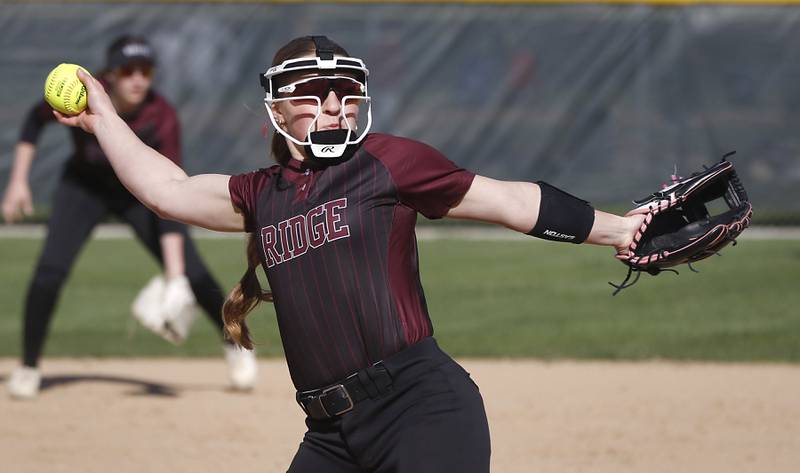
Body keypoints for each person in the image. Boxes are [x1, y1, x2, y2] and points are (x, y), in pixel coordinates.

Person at [54, 35, 645, 472]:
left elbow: (512, 201)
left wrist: (620, 229)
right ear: (277, 110)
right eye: (314, 94)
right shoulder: (260, 194)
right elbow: (169, 192)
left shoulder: (386, 162)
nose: (335, 104)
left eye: (347, 94)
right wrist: (103, 118)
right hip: (329, 435)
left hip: (420, 412)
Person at [2, 35, 257, 399]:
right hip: (84, 188)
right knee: (48, 273)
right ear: (110, 74)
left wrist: (174, 275)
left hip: (139, 194)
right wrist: (17, 182)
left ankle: (235, 347)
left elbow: (174, 196)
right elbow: (33, 119)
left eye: (146, 70)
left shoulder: (161, 115)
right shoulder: (84, 97)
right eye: (128, 70)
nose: (137, 78)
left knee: (194, 275)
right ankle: (28, 367)